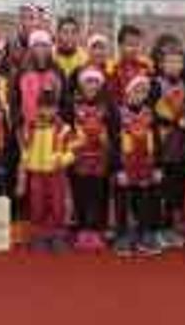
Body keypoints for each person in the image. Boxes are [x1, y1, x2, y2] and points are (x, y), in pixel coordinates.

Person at [16, 89, 74, 253]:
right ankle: (39, 236)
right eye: (43, 107)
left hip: (56, 174)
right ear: (38, 108)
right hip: (36, 174)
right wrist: (22, 173)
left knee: (57, 205)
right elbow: (25, 151)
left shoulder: (64, 128)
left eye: (51, 107)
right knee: (37, 205)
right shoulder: (30, 126)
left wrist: (61, 160)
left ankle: (57, 236)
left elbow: (73, 150)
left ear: (57, 109)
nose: (47, 111)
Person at [69, 65, 119, 252]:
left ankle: (97, 229)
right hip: (79, 158)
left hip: (101, 158)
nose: (91, 85)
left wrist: (111, 152)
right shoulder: (72, 104)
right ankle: (82, 229)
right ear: (81, 84)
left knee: (100, 194)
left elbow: (115, 132)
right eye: (88, 81)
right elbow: (66, 129)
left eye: (95, 82)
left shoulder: (108, 105)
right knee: (80, 192)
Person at [150, 34, 185, 248]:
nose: (175, 65)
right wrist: (173, 120)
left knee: (177, 191)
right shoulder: (155, 84)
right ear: (160, 63)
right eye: (170, 61)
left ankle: (172, 230)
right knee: (161, 191)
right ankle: (158, 229)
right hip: (162, 146)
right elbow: (150, 114)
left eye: (178, 61)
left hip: (181, 147)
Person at [113, 73, 162, 256]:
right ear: (128, 92)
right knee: (123, 202)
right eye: (136, 90)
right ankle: (123, 235)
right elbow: (113, 142)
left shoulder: (150, 113)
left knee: (145, 201)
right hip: (125, 166)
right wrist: (117, 169)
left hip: (146, 165)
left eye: (143, 91)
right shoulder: (118, 114)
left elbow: (156, 141)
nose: (139, 94)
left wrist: (158, 166)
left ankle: (144, 234)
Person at [112, 24, 154, 98]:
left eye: (137, 45)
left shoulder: (147, 67)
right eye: (130, 45)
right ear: (120, 46)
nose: (134, 49)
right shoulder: (114, 69)